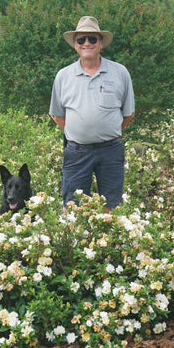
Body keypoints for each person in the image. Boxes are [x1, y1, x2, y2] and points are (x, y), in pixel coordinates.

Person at [49, 16, 135, 212]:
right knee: (73, 208)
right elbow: (58, 116)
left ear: (101, 43)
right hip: (76, 153)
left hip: (111, 151)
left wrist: (106, 132)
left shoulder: (120, 73)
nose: (87, 43)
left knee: (112, 207)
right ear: (75, 45)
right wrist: (79, 135)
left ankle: (109, 243)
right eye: (81, 39)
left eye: (92, 39)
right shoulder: (63, 76)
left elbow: (128, 114)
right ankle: (76, 243)